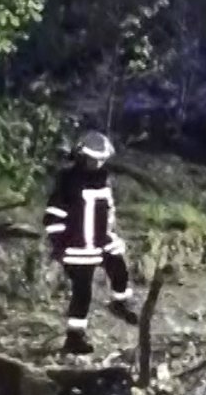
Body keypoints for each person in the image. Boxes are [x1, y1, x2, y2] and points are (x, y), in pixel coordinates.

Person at [45, 131, 138, 355]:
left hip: (100, 240)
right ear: (81, 156)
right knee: (82, 292)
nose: (97, 163)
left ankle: (119, 303)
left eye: (100, 159)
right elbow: (53, 215)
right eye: (93, 159)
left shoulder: (104, 179)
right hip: (76, 245)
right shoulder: (68, 180)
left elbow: (108, 209)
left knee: (119, 269)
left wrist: (110, 230)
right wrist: (60, 243)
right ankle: (74, 337)